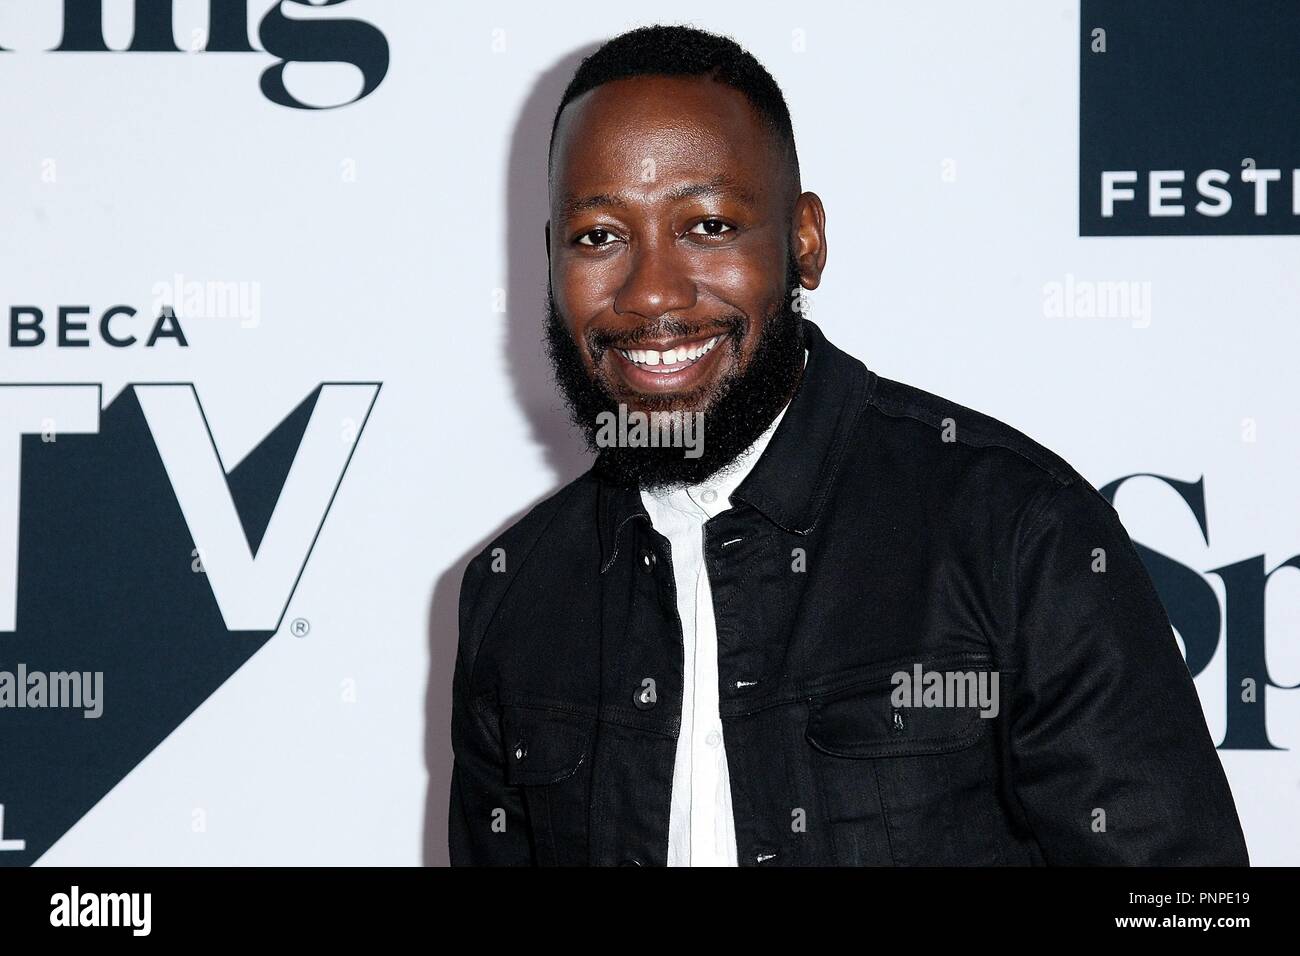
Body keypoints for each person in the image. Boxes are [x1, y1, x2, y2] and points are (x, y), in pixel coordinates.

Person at [448, 24, 1249, 866]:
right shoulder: (514, 595)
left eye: (708, 225)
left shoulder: (1013, 535)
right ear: (550, 262)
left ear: (804, 242)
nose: (651, 292)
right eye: (600, 236)